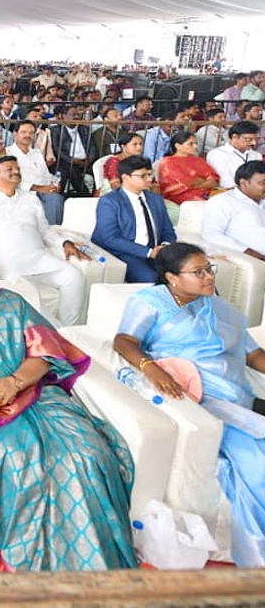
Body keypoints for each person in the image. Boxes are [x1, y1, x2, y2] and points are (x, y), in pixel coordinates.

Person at [0, 233, 136, 571]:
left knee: (90, 453)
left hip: (31, 390)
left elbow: (46, 353)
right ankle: (33, 564)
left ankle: (95, 564)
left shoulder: (10, 301)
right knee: (20, 457)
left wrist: (14, 381)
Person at [114, 242, 265, 567]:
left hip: (238, 392)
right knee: (254, 459)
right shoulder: (150, 302)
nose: (209, 277)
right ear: (171, 277)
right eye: (199, 272)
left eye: (209, 269)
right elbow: (124, 341)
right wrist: (150, 368)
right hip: (198, 395)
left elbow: (252, 354)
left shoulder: (217, 306)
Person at [0, 156, 89, 325]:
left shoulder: (31, 199)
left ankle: (69, 328)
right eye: (10, 169)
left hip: (39, 260)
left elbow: (45, 232)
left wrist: (64, 243)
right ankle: (59, 334)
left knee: (74, 276)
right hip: (8, 266)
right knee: (37, 309)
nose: (16, 172)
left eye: (17, 168)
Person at [91, 156, 176, 283]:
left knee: (191, 276)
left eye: (150, 174)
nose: (150, 179)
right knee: (152, 281)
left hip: (157, 253)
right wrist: (148, 252)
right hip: (125, 253)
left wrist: (164, 247)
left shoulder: (155, 199)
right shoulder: (110, 201)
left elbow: (167, 230)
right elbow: (109, 238)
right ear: (125, 177)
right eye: (143, 176)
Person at [200, 160, 265, 260]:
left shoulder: (262, 200)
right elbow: (211, 235)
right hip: (254, 258)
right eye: (263, 183)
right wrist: (248, 252)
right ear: (243, 183)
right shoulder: (223, 201)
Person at [9, 119, 63, 225]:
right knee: (55, 199)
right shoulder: (8, 153)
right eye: (23, 132)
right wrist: (38, 188)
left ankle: (53, 233)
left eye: (31, 133)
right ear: (15, 134)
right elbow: (10, 179)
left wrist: (54, 183)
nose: (27, 135)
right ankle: (51, 232)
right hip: (25, 192)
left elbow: (46, 175)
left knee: (57, 197)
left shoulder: (36, 153)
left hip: (44, 191)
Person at [157, 130, 223, 206]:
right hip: (180, 196)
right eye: (190, 144)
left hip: (207, 193)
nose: (195, 146)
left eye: (195, 144)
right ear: (178, 146)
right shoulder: (167, 162)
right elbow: (184, 183)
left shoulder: (198, 160)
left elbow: (213, 181)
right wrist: (203, 182)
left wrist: (197, 184)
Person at [207, 121, 262, 190]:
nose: (254, 143)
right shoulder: (218, 154)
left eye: (256, 139)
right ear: (235, 137)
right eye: (248, 139)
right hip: (228, 194)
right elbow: (225, 183)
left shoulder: (256, 155)